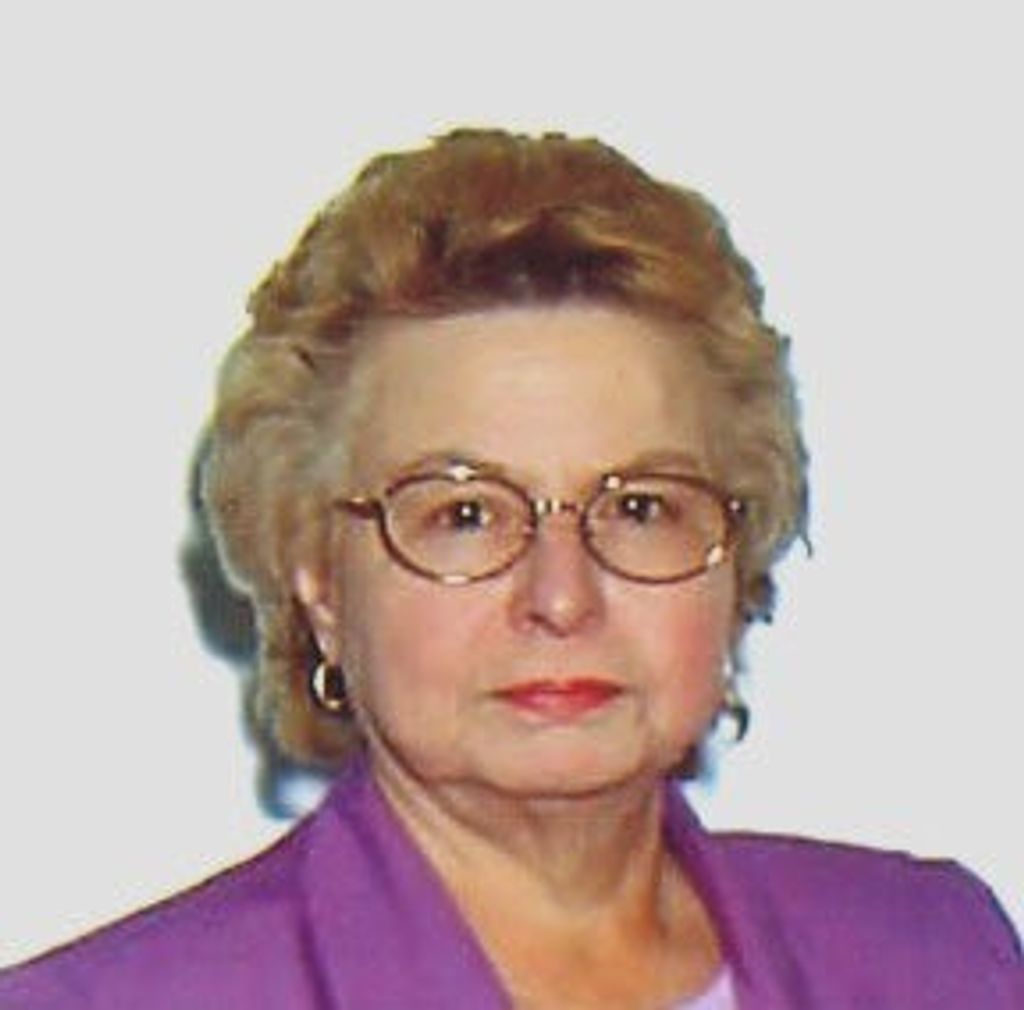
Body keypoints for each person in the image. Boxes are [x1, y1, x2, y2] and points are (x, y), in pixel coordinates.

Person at [0, 129, 1019, 1009]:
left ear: (735, 557)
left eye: (640, 506)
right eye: (464, 514)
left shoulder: (936, 953)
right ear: (319, 579)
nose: (561, 597)